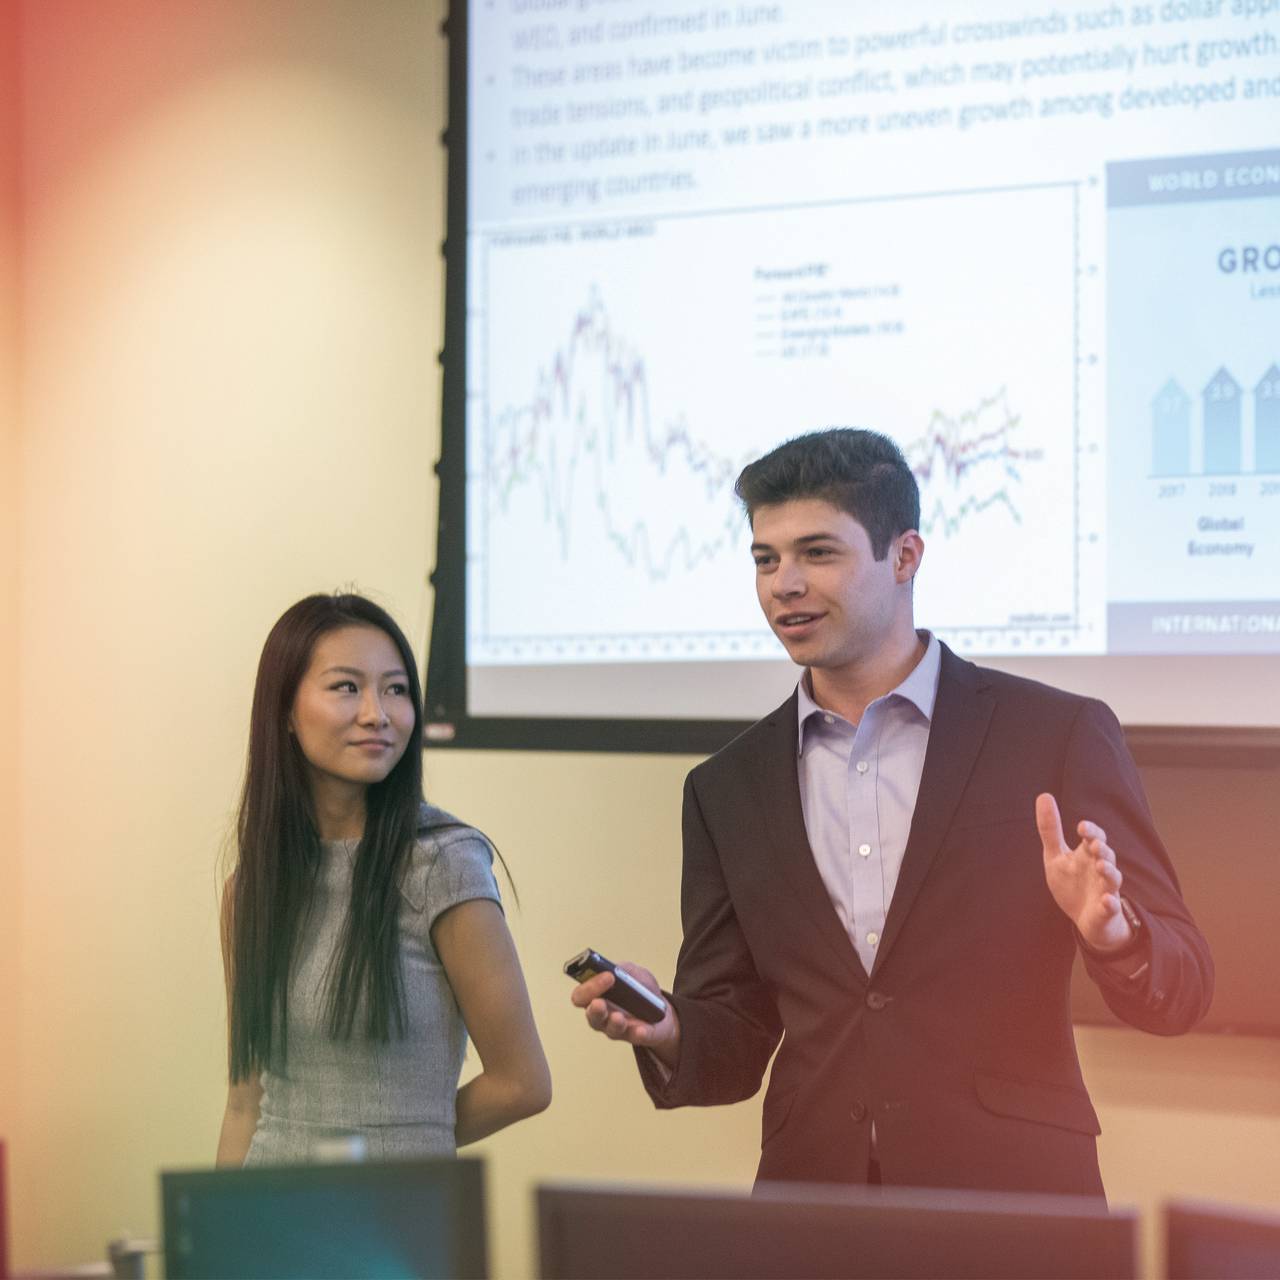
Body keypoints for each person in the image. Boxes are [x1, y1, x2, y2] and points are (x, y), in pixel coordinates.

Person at [572, 428, 1212, 1196]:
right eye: (765, 560)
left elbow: (1184, 990)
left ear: (905, 556)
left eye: (817, 553)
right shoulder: (727, 788)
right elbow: (735, 1041)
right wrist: (667, 1027)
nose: (784, 585)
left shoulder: (1056, 735)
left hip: (1016, 1199)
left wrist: (1114, 935)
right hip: (815, 1202)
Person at [217, 592, 550, 1166]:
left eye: (396, 690)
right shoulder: (252, 887)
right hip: (271, 1205)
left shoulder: (442, 864)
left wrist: (399, 1140)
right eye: (347, 687)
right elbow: (245, 1105)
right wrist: (221, 1220)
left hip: (396, 1209)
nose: (378, 713)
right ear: (285, 712)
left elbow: (522, 1084)